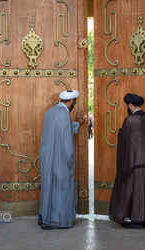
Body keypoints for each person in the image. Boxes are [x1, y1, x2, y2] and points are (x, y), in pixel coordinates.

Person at [109, 93, 145, 229]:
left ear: (130, 105)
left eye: (127, 106)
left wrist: (120, 132)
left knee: (136, 191)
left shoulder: (130, 120)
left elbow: (124, 140)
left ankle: (137, 220)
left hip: (136, 163)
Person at [38, 90, 86, 229]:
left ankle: (44, 217)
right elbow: (66, 141)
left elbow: (61, 129)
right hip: (59, 158)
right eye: (74, 103)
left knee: (48, 187)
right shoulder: (64, 114)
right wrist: (70, 161)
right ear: (70, 101)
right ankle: (57, 221)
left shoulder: (50, 112)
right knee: (61, 188)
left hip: (47, 157)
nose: (74, 106)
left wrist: (78, 123)